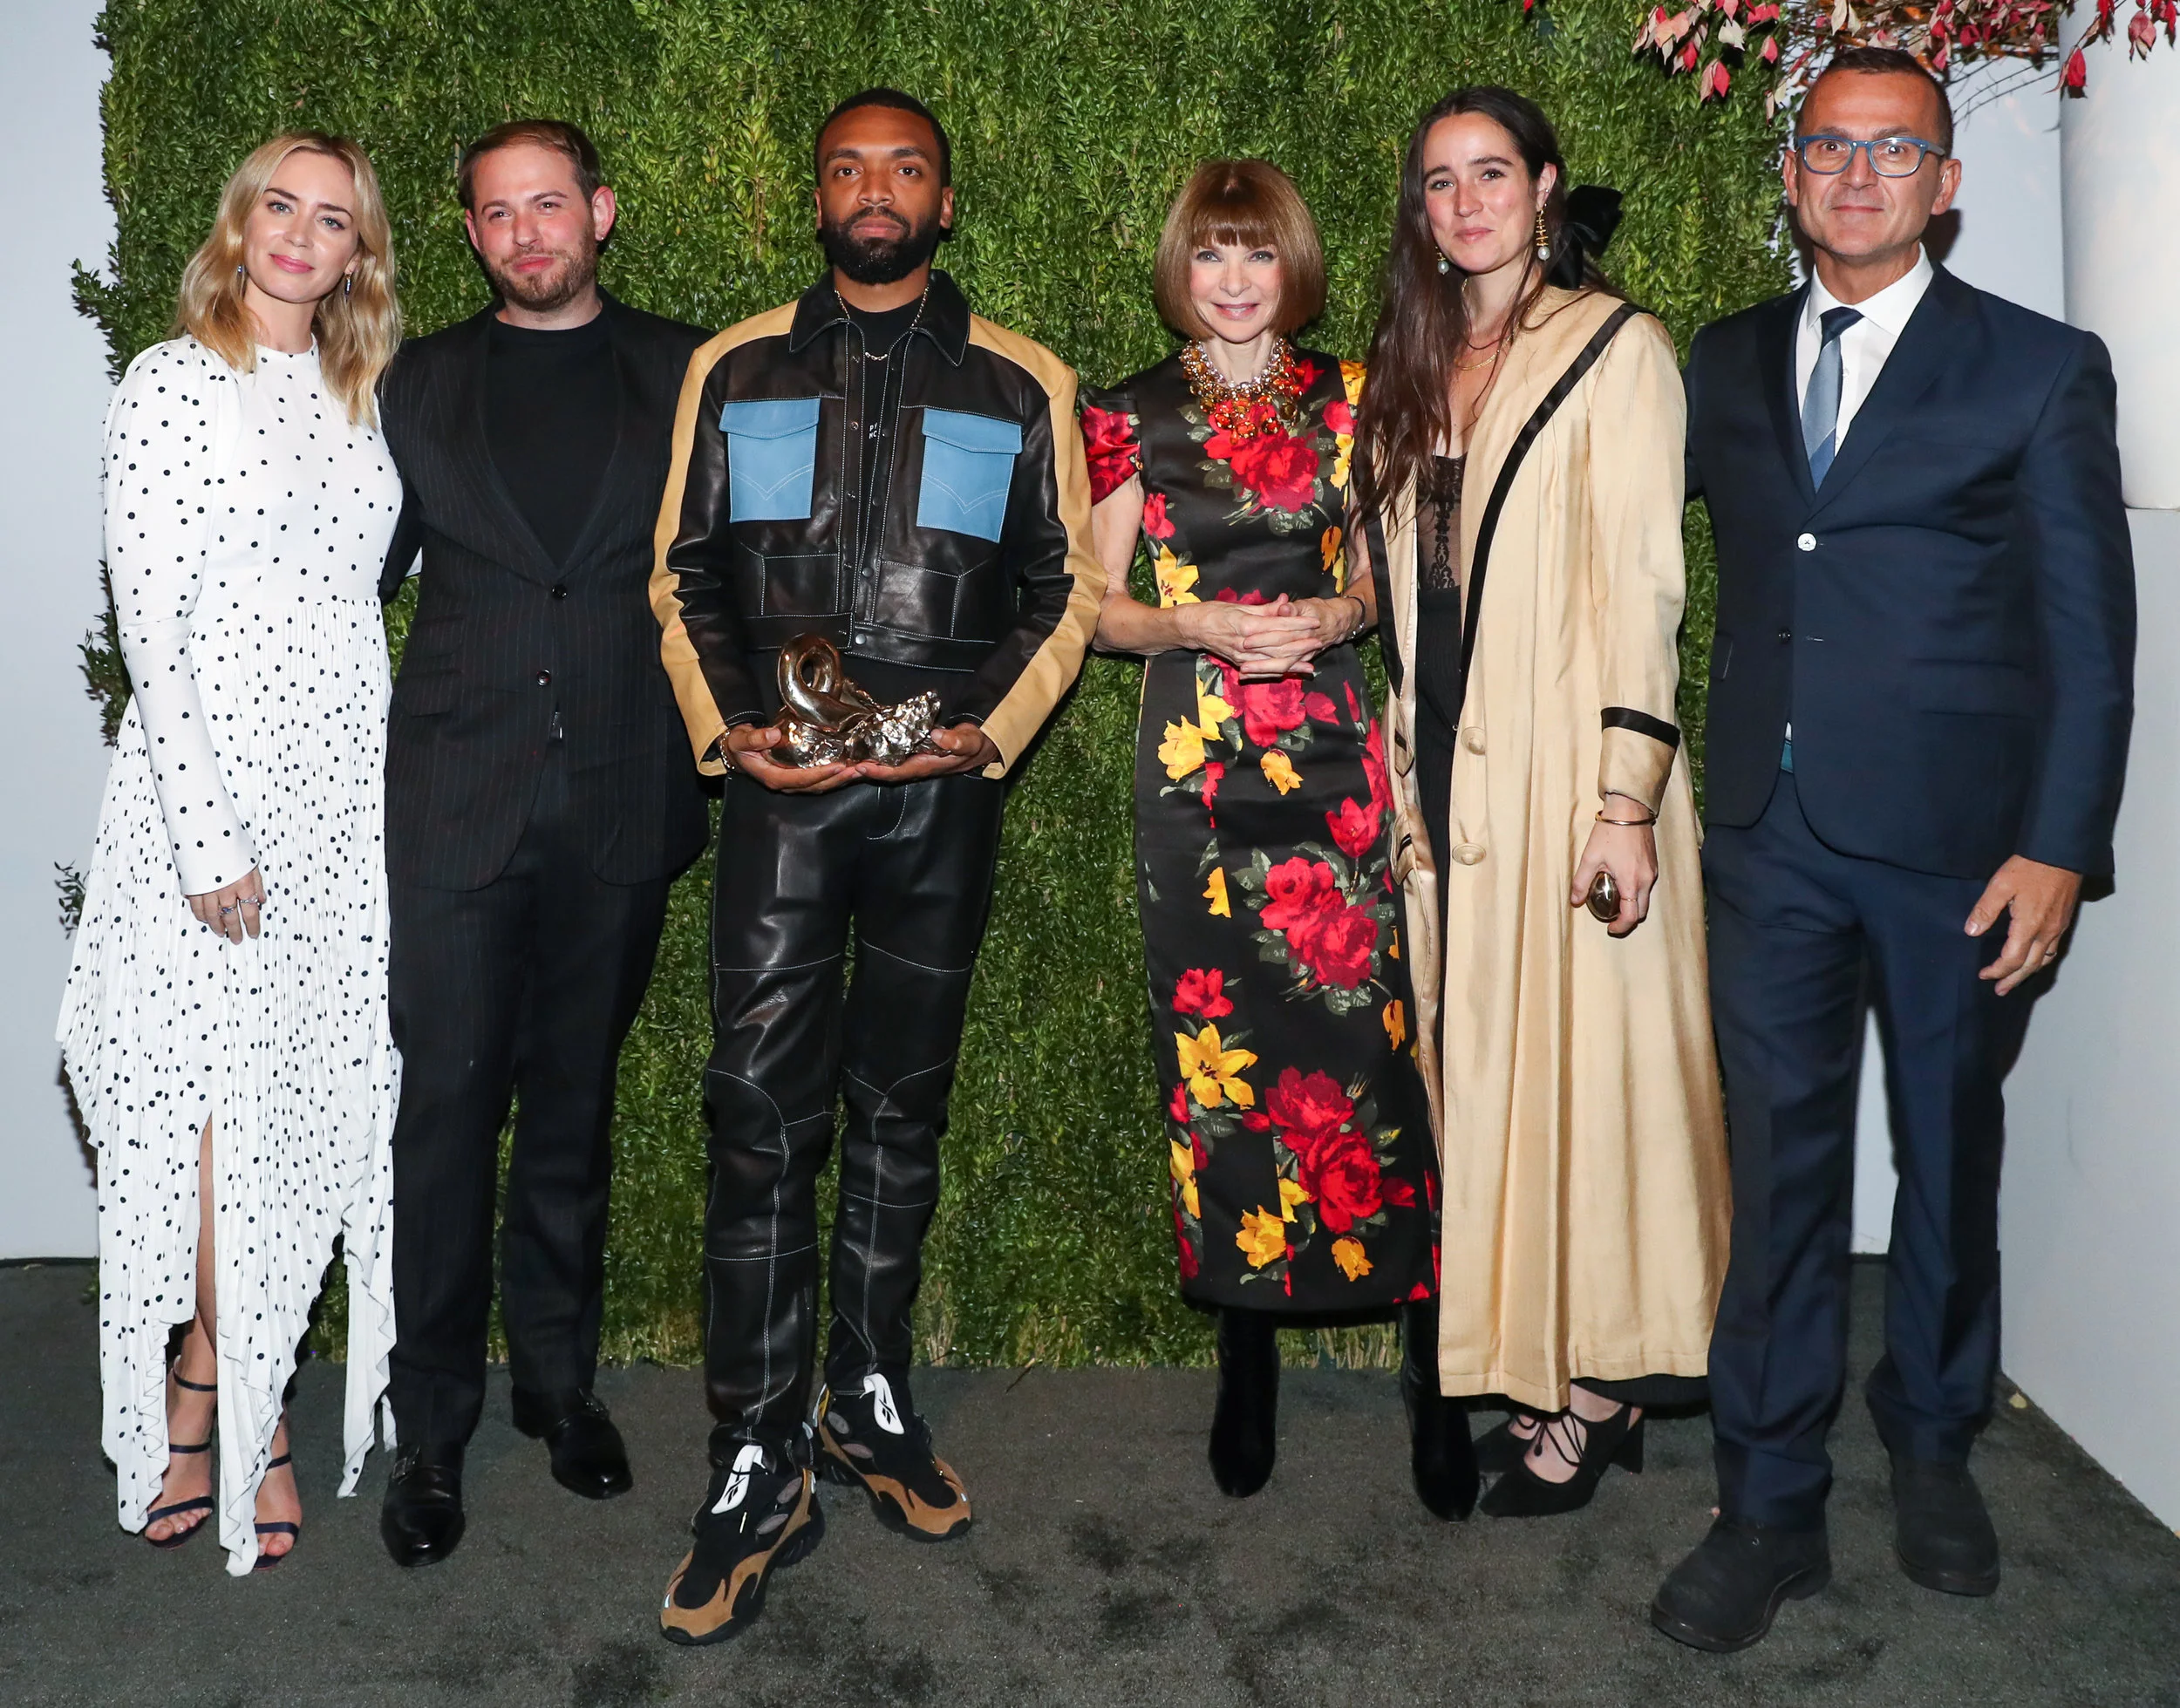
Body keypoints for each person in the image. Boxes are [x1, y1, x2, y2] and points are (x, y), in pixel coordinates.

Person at [1652, 48, 2134, 1650]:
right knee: (1780, 1173)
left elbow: (2091, 634)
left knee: (1947, 1151)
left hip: (1960, 849)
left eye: (1895, 150)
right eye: (1830, 147)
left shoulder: (2040, 368)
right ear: (1792, 172)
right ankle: (1768, 1501)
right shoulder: (1723, 357)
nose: (1858, 177)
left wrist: (2060, 845)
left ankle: (1932, 1435)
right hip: (1767, 836)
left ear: (1946, 182)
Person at [647, 85, 1102, 1644]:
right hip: (781, 797)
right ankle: (756, 1444)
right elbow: (686, 573)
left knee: (902, 1104)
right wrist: (730, 728)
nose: (876, 189)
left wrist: (982, 732)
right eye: (848, 167)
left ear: (944, 200)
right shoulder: (737, 366)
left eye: (905, 168)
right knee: (759, 1113)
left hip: (938, 800)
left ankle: (866, 1391)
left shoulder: (1022, 379)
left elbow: (1064, 589)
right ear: (819, 196)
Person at [1351, 86, 1730, 1521]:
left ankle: (1601, 1389)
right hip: (1451, 766)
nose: (1466, 202)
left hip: (1573, 770)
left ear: (1545, 186)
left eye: (1492, 173)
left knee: (1593, 1080)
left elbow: (1646, 580)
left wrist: (1627, 796)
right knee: (1495, 1079)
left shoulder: (1618, 346)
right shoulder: (1418, 355)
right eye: (1441, 180)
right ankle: (1533, 1358)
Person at [1081, 160, 1472, 1518]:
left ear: (1291, 266)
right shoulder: (1125, 413)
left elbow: (1391, 572)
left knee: (1384, 1051)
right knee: (1223, 1067)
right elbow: (1094, 605)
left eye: (1257, 255)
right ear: (1181, 270)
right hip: (1196, 772)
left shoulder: (1360, 396)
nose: (1236, 280)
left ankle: (1436, 1364)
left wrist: (1343, 614)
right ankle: (1244, 1357)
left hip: (1335, 764)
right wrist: (1188, 622)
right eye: (1212, 255)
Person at [58, 132, 404, 1573]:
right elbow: (152, 624)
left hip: (339, 800)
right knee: (209, 1109)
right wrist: (210, 835)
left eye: (333, 219)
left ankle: (208, 1371)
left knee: (298, 1097)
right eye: (281, 206)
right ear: (241, 222)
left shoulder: (358, 393)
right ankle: (246, 1418)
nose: (301, 236)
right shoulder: (173, 382)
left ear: (358, 253)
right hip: (212, 798)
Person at [373, 120, 712, 1569]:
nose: (526, 232)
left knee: (574, 1107)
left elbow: (738, 562)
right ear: (471, 234)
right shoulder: (409, 380)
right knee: (444, 1117)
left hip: (624, 797)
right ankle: (431, 1427)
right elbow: (340, 579)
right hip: (456, 804)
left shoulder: (690, 370)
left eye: (549, 204)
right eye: (498, 213)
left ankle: (557, 1385)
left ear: (601, 211)